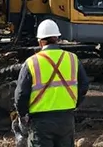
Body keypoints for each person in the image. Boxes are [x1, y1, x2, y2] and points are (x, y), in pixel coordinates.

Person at [14, 19, 90, 147]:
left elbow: (21, 95)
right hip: (66, 120)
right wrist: (73, 103)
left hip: (41, 122)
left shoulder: (32, 62)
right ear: (57, 38)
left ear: (40, 41)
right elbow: (84, 85)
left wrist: (23, 115)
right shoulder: (72, 59)